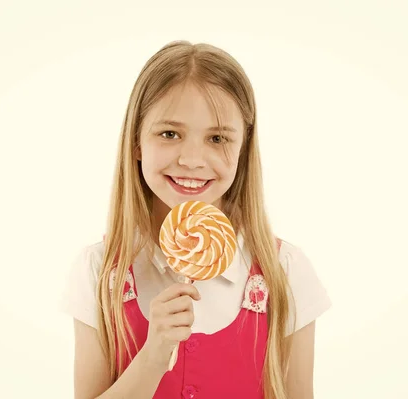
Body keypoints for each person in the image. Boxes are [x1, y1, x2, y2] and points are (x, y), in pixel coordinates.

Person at [60, 40, 332, 399]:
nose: (191, 159)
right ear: (137, 141)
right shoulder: (99, 272)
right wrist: (153, 356)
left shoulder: (284, 271)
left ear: (242, 149)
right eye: (169, 134)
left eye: (217, 138)